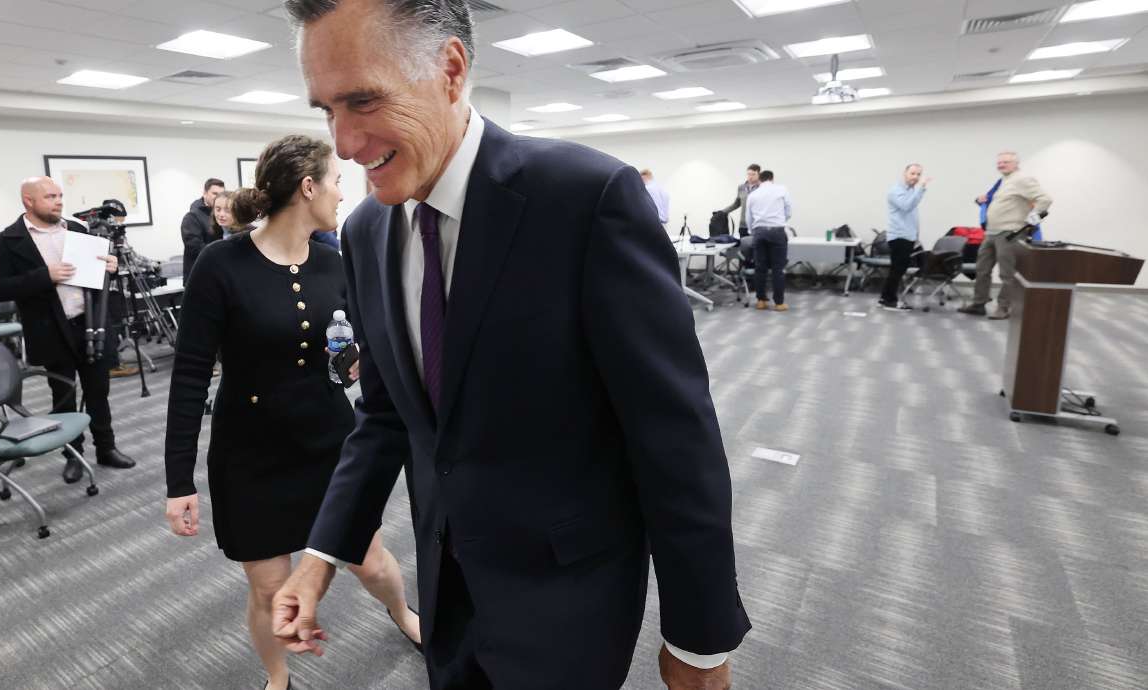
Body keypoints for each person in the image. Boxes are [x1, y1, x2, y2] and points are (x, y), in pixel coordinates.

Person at [270, 2, 750, 689]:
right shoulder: (367, 232)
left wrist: (701, 639)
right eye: (325, 110)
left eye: (364, 100)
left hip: (567, 599)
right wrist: (321, 553)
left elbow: (674, 435)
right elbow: (384, 415)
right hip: (446, 587)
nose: (343, 143)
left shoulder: (584, 199)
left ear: (451, 70)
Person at [163, 135, 420, 690]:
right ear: (308, 188)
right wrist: (178, 479)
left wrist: (351, 361)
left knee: (371, 563)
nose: (340, 194)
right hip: (251, 456)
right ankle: (277, 678)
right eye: (334, 182)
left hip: (330, 443)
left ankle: (402, 612)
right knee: (269, 588)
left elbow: (354, 345)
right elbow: (188, 376)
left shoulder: (335, 261)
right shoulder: (220, 264)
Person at [0, 176, 136, 483]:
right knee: (63, 397)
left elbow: (97, 277)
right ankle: (73, 455)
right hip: (49, 330)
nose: (58, 201)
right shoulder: (6, 241)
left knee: (99, 393)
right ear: (29, 201)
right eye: (50, 196)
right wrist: (45, 276)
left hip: (91, 324)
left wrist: (111, 267)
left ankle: (106, 448)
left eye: (59, 195)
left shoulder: (78, 230)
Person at [959, 151, 1052, 320]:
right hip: (991, 233)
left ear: (1016, 163)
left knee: (1006, 273)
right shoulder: (1003, 181)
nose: (1001, 165)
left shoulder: (1023, 179)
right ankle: (978, 304)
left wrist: (1033, 217)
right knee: (982, 270)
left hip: (1009, 233)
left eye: (1006, 162)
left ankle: (1003, 308)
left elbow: (1045, 199)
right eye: (1000, 162)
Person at [879, 164, 930, 311]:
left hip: (907, 236)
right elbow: (906, 206)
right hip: (899, 236)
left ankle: (885, 298)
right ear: (905, 173)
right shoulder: (896, 191)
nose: (916, 177)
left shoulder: (911, 191)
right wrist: (922, 188)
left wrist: (915, 237)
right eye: (912, 173)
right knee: (898, 269)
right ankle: (889, 301)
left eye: (918, 174)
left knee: (898, 269)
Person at [745, 169, 792, 311]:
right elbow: (788, 210)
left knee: (760, 268)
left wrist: (753, 231)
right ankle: (779, 303)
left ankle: (761, 301)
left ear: (760, 179)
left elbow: (749, 217)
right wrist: (780, 221)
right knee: (778, 268)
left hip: (759, 232)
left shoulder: (753, 194)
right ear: (772, 179)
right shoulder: (782, 190)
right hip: (777, 231)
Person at [181, 177, 226, 282]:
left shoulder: (222, 214)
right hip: (198, 276)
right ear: (205, 193)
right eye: (214, 193)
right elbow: (194, 247)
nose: (218, 197)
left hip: (218, 274)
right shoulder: (192, 216)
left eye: (221, 194)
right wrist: (223, 253)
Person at [717, 163, 761, 236]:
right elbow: (736, 204)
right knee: (744, 246)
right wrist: (722, 212)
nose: (750, 177)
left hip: (757, 225)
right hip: (743, 226)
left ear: (759, 174)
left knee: (757, 247)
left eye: (753, 174)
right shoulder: (741, 187)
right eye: (749, 174)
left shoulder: (763, 188)